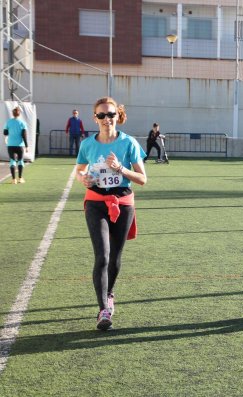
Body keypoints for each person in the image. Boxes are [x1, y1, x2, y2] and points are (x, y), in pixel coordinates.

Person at [75, 96, 147, 331]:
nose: (107, 119)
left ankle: (110, 292)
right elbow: (79, 171)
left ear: (118, 116)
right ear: (95, 118)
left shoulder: (129, 143)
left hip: (123, 203)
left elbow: (143, 179)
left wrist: (121, 169)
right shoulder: (87, 145)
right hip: (96, 203)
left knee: (115, 257)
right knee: (102, 256)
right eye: (102, 115)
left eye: (111, 114)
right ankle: (103, 309)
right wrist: (83, 178)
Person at [3, 106, 28, 184]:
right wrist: (27, 145)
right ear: (19, 114)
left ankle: (13, 180)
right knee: (20, 161)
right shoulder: (22, 123)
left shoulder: (8, 122)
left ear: (12, 114)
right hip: (19, 145)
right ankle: (20, 178)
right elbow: (24, 135)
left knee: (12, 161)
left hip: (10, 145)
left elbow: (5, 133)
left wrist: (11, 132)